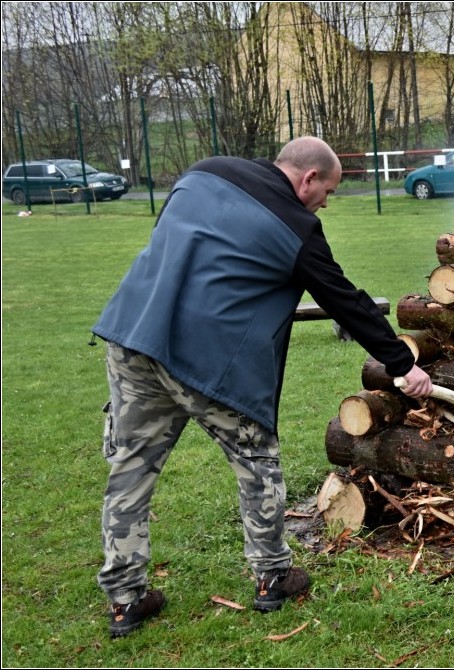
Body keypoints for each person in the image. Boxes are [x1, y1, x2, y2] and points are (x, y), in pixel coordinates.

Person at [92, 136, 432, 638]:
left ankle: (125, 600)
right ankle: (272, 576)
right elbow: (344, 299)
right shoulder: (296, 226)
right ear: (308, 178)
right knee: (256, 463)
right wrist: (402, 362)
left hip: (134, 337)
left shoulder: (204, 171)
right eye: (329, 192)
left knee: (130, 472)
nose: (325, 203)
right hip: (205, 360)